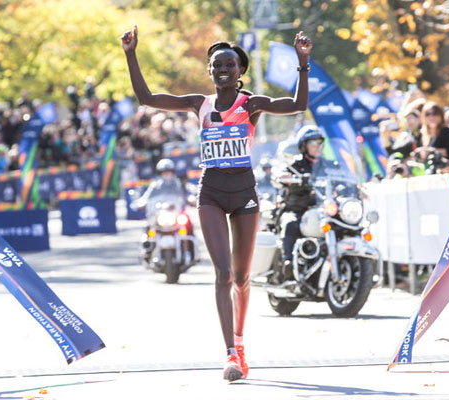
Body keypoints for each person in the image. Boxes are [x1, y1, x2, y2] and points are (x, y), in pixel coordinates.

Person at [122, 25, 312, 381]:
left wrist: (303, 62)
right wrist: (131, 54)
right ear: (209, 71)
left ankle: (240, 344)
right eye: (216, 65)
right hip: (210, 190)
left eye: (229, 64)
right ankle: (230, 355)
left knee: (241, 278)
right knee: (223, 273)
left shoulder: (251, 104)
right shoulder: (200, 103)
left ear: (240, 71)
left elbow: (299, 104)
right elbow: (147, 97)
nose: (223, 69)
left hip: (244, 192)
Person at [277, 125, 335, 278]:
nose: (318, 146)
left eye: (320, 142)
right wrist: (287, 178)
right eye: (313, 143)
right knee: (291, 223)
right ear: (303, 146)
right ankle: (288, 262)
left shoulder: (329, 165)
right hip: (298, 209)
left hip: (322, 209)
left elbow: (342, 177)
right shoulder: (295, 165)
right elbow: (283, 174)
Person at [413, 102, 449, 168]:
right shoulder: (421, 134)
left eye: (435, 113)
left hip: (445, 169)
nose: (431, 117)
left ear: (441, 115)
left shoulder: (448, 132)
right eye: (428, 114)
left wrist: (430, 151)